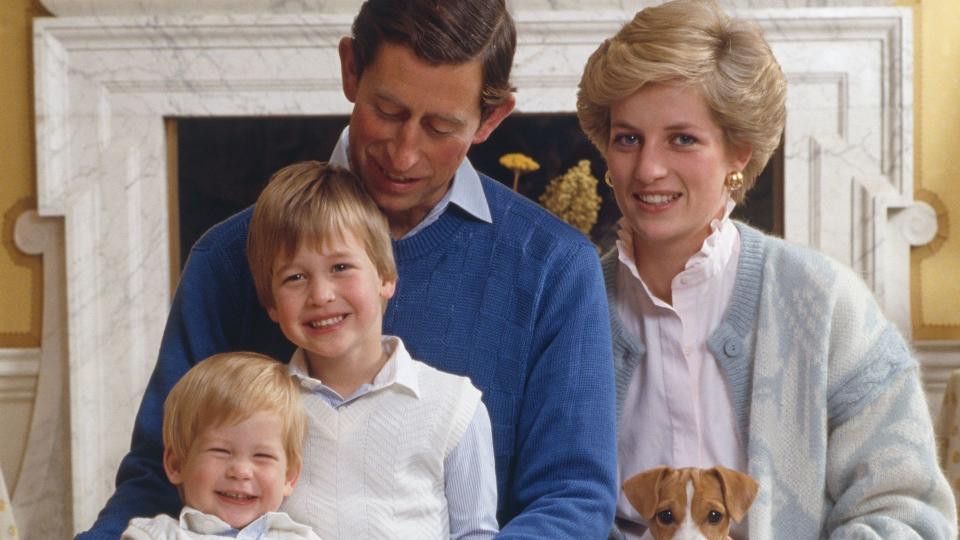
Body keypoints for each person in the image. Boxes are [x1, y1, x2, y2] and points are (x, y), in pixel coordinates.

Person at [78, 0, 617, 538]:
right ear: (350, 71)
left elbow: (572, 498)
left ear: (491, 118)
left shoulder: (554, 269)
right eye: (388, 110)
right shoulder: (228, 258)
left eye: (440, 127)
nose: (404, 154)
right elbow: (159, 473)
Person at [575, 0, 957, 538]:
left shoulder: (826, 302)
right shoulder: (568, 304)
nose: (648, 168)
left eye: (682, 138)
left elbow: (907, 512)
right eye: (628, 138)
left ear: (738, 153)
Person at [246, 161, 498, 538]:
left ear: (385, 277)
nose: (321, 295)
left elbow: (476, 533)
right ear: (271, 305)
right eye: (295, 277)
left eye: (341, 267)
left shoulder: (453, 406)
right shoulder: (258, 408)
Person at [122, 351, 321, 539]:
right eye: (221, 451)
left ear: (289, 476)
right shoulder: (154, 535)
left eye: (262, 456)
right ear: (177, 464)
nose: (241, 471)